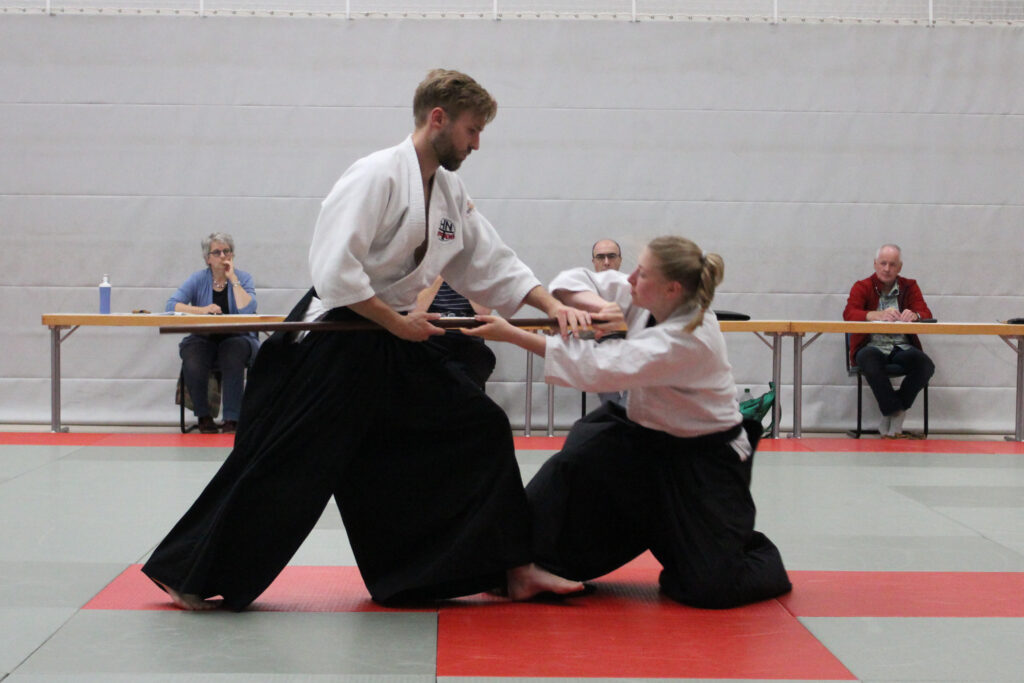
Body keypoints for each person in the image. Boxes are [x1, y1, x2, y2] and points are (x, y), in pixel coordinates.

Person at [142, 68, 588, 611]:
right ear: (438, 119)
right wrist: (395, 323)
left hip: (394, 338)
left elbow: (489, 262)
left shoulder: (449, 192)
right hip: (340, 336)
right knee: (289, 461)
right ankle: (188, 572)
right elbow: (333, 270)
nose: (476, 144)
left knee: (479, 427)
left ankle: (511, 568)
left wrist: (552, 305)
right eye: (472, 130)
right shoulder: (376, 176)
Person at [464, 236, 793, 609]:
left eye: (643, 273)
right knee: (570, 468)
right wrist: (598, 305)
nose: (631, 277)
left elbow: (601, 368)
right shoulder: (639, 296)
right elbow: (574, 280)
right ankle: (518, 565)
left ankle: (735, 545)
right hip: (637, 434)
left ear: (672, 289)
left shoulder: (691, 338)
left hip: (703, 458)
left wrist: (512, 335)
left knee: (711, 586)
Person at [166, 232, 258, 434]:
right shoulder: (198, 279)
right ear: (207, 258)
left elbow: (248, 309)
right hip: (204, 337)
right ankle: (203, 416)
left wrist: (233, 278)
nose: (223, 256)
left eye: (227, 251)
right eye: (217, 252)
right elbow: (171, 305)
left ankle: (232, 418)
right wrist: (202, 310)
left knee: (232, 351)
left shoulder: (243, 278)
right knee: (192, 353)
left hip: (238, 337)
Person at [843, 244, 934, 439]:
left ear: (900, 267)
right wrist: (874, 315)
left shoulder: (910, 286)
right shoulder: (862, 286)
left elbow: (926, 312)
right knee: (867, 358)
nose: (887, 269)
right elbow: (849, 313)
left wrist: (915, 315)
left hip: (901, 346)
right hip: (871, 345)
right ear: (875, 264)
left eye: (892, 264)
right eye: (883, 263)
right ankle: (895, 411)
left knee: (925, 365)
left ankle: (891, 411)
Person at [414, 275, 496, 390]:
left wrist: (463, 271)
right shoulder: (421, 272)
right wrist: (439, 273)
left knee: (482, 358)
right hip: (429, 338)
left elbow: (484, 311)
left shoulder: (475, 271)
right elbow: (415, 311)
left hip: (467, 339)